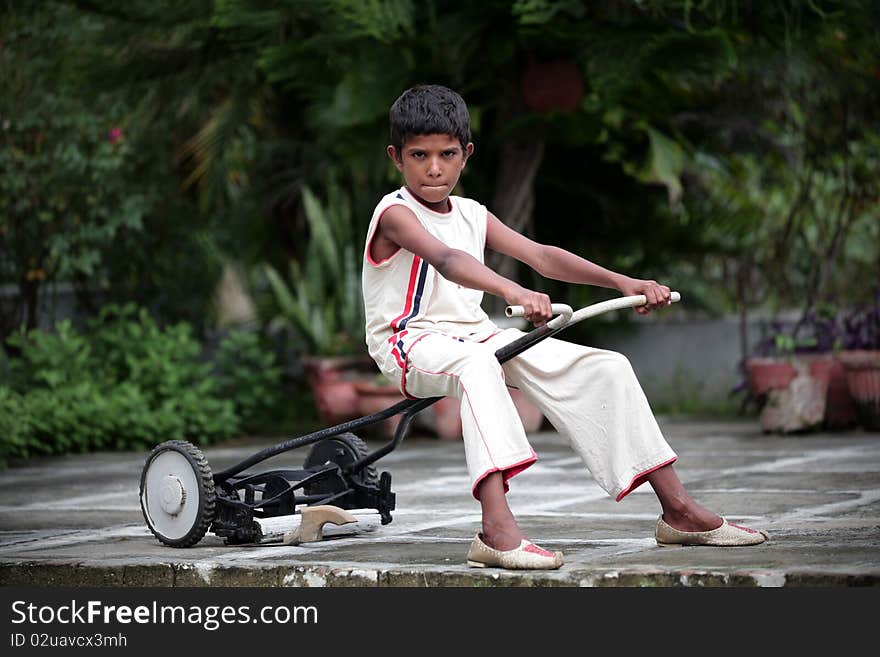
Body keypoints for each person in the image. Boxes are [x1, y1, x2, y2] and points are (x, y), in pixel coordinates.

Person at [361, 84, 768, 570]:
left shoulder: (472, 214)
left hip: (475, 333)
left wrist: (622, 281)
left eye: (447, 154)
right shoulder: (395, 213)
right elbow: (447, 260)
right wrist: (513, 292)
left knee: (606, 367)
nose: (434, 168)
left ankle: (678, 511)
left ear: (466, 154)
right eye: (419, 155)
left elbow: (542, 257)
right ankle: (496, 529)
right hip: (411, 342)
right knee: (479, 366)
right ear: (396, 158)